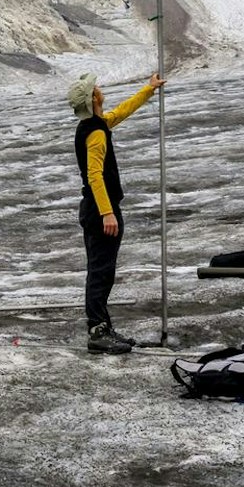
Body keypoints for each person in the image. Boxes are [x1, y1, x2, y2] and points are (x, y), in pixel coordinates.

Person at [69, 71, 166, 354]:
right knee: (100, 273)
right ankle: (97, 332)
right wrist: (107, 213)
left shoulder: (94, 124)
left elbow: (122, 112)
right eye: (95, 88)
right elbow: (95, 176)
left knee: (101, 271)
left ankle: (103, 326)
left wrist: (148, 89)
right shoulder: (96, 134)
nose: (99, 88)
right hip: (100, 211)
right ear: (93, 99)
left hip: (95, 209)